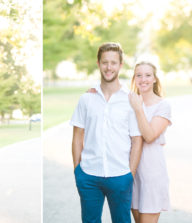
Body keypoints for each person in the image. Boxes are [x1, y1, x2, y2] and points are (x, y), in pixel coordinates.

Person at [87, 61, 172, 223]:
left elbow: (149, 136)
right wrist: (93, 93)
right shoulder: (127, 100)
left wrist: (138, 108)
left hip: (152, 171)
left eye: (148, 75)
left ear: (155, 79)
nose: (143, 79)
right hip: (129, 171)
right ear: (134, 78)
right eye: (138, 75)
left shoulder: (163, 105)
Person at [70, 42, 143, 223]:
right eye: (104, 62)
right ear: (98, 64)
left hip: (120, 176)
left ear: (120, 65)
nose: (109, 67)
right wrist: (78, 171)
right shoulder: (87, 99)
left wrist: (129, 175)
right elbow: (77, 137)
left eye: (113, 63)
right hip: (88, 176)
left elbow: (137, 141)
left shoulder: (130, 100)